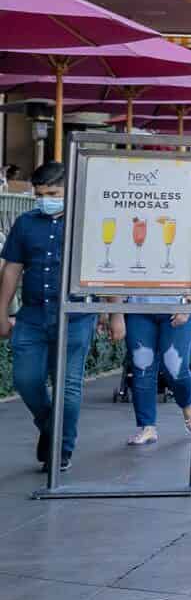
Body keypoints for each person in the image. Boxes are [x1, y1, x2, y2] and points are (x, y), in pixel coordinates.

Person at [0, 163, 92, 470]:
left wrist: (115, 313)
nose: (45, 200)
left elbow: (102, 267)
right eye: (39, 194)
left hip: (75, 315)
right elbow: (11, 268)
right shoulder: (25, 223)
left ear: (69, 190)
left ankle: (60, 450)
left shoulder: (85, 222)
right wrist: (2, 311)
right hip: (32, 315)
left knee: (68, 387)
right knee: (26, 381)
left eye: (52, 193)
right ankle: (51, 427)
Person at [116, 291, 191, 446]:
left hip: (177, 303)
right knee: (142, 367)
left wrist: (189, 303)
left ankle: (187, 403)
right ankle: (147, 427)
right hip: (138, 306)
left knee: (175, 368)